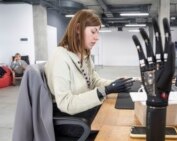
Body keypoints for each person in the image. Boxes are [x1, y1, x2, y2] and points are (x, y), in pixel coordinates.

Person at [44, 9, 133, 137]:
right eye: (93, 31)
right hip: (70, 118)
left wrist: (116, 84)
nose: (97, 37)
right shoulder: (60, 57)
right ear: (78, 29)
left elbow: (95, 81)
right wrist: (106, 90)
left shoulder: (84, 55)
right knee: (114, 127)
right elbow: (65, 104)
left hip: (83, 110)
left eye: (98, 32)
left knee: (120, 117)